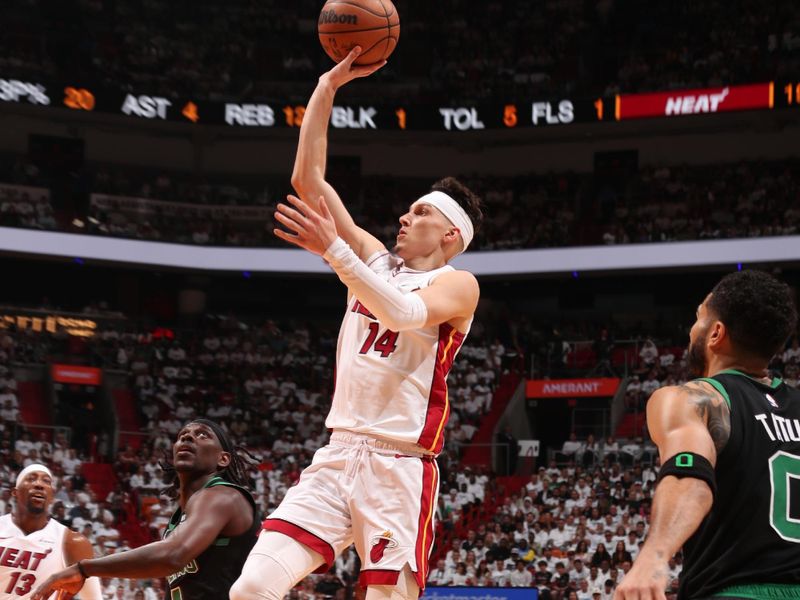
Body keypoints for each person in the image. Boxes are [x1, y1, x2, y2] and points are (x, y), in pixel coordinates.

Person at [231, 46, 483, 600]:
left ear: (450, 237)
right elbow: (307, 178)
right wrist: (326, 88)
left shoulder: (459, 284)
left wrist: (336, 255)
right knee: (251, 588)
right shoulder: (375, 260)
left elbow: (406, 312)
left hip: (400, 467)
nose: (403, 215)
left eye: (421, 212)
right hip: (338, 453)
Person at [615, 270, 800, 600]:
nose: (691, 330)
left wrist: (654, 556)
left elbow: (690, 474)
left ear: (715, 333)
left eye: (698, 317)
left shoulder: (693, 399)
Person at [32, 419, 258, 599]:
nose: (188, 436)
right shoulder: (183, 515)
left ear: (223, 459)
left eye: (203, 435)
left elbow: (172, 555)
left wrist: (83, 569)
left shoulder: (223, 496)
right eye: (182, 436)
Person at [0, 464, 102, 599]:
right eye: (31, 479)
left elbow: (94, 598)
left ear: (52, 496)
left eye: (46, 481)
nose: (39, 485)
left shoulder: (72, 542)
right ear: (15, 492)